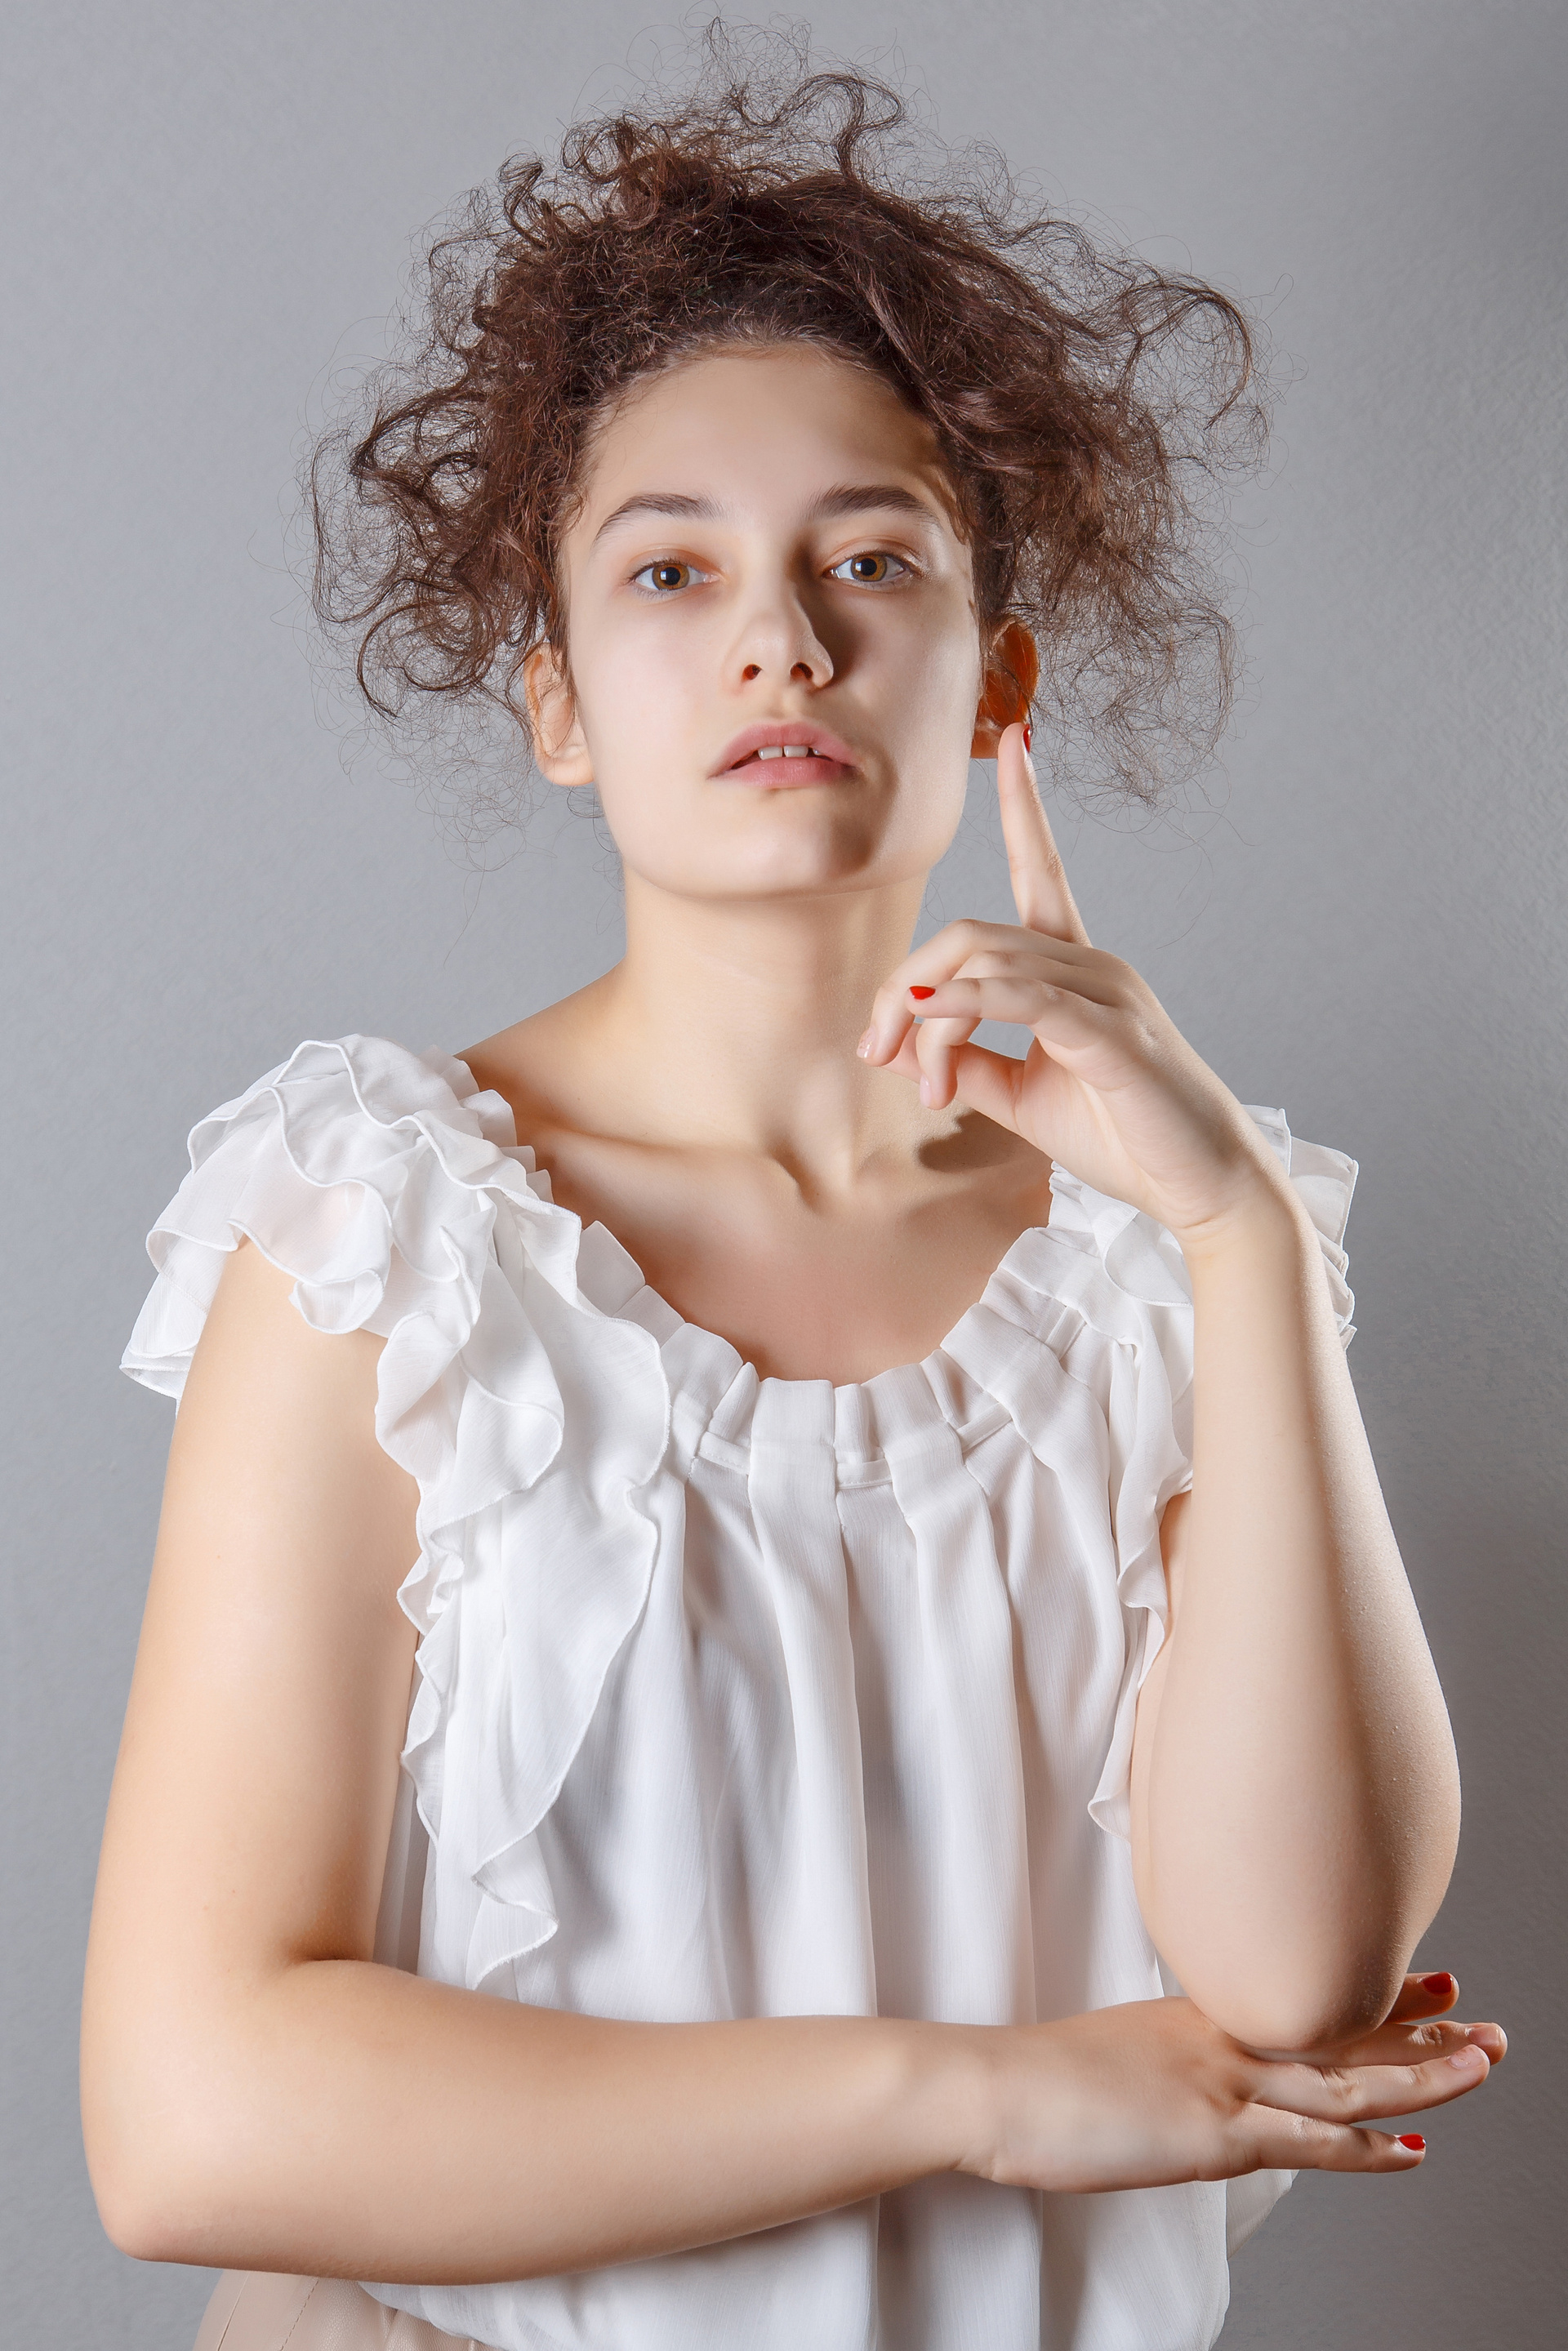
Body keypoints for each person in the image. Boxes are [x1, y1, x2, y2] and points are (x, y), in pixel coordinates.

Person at [80, 42, 1503, 2351]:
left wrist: (1240, 1234)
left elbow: (1295, 1970)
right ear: (556, 701)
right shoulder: (384, 1241)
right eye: (673, 569)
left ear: (994, 679)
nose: (785, 639)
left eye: (873, 558)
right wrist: (983, 2095)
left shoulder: (1172, 1255)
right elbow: (190, 2120)